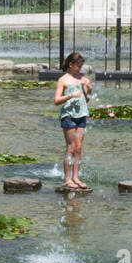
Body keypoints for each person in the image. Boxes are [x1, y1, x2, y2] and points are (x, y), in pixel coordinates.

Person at [54, 51, 92, 188]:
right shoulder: (63, 80)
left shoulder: (82, 79)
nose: (80, 69)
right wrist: (70, 95)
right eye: (78, 66)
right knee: (70, 147)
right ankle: (67, 179)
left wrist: (89, 89)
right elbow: (57, 100)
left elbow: (86, 100)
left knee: (78, 147)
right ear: (71, 64)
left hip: (81, 115)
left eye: (81, 67)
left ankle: (76, 177)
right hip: (68, 116)